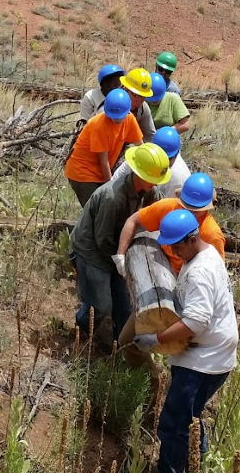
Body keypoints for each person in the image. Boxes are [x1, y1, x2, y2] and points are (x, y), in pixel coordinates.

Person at [134, 209, 238, 473]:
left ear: (193, 238)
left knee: (173, 423)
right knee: (189, 416)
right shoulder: (208, 254)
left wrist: (155, 340)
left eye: (177, 245)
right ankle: (197, 464)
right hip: (212, 352)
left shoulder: (200, 272)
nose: (174, 251)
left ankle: (172, 472)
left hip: (204, 360)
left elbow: (194, 323)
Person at [116, 172, 225, 384]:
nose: (189, 213)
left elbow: (216, 282)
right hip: (160, 286)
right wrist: (120, 255)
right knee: (127, 341)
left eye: (195, 210)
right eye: (186, 207)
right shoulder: (169, 208)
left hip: (191, 297)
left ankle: (172, 391)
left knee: (183, 354)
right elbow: (134, 220)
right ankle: (153, 382)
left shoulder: (211, 236)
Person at [70, 143, 171, 340]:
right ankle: (80, 331)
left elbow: (160, 212)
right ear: (138, 174)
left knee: (125, 306)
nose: (155, 184)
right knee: (100, 306)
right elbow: (102, 238)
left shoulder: (148, 191)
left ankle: (121, 346)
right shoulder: (112, 197)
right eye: (152, 179)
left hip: (117, 248)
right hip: (92, 250)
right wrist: (121, 259)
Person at [65, 89, 143, 207]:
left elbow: (140, 146)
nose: (116, 119)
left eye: (120, 116)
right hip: (82, 172)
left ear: (127, 111)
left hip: (100, 172)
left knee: (105, 209)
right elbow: (104, 161)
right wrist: (111, 187)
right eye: (113, 116)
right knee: (94, 211)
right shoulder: (99, 125)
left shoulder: (130, 119)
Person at [112, 126, 190, 197]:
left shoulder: (178, 178)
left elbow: (168, 208)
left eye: (167, 159)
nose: (161, 161)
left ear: (177, 154)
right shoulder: (143, 156)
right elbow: (115, 180)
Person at [120, 68, 156, 142]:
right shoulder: (111, 105)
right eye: (136, 95)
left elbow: (150, 137)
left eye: (143, 96)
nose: (139, 100)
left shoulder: (143, 109)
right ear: (125, 89)